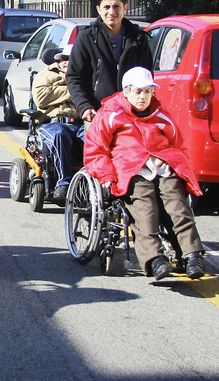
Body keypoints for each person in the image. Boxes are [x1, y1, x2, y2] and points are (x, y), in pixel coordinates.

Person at [84, 67, 205, 280]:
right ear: (127, 91)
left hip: (162, 166)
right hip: (130, 170)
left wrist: (180, 169)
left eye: (148, 92)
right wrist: (106, 176)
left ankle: (192, 255)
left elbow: (178, 146)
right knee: (145, 208)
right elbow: (95, 149)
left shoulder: (161, 115)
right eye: (138, 91)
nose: (143, 97)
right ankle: (155, 259)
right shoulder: (111, 114)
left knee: (178, 205)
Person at [66, 0, 154, 123]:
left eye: (116, 6)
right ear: (98, 9)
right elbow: (74, 77)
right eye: (106, 7)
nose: (111, 12)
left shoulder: (138, 40)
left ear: (125, 7)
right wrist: (84, 106)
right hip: (97, 114)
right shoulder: (87, 38)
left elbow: (147, 76)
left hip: (131, 115)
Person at [31, 45, 84, 200]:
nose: (66, 62)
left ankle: (94, 184)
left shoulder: (86, 74)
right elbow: (41, 98)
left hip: (81, 122)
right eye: (63, 59)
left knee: (95, 137)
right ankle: (63, 184)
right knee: (60, 134)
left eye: (70, 59)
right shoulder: (45, 74)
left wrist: (57, 93)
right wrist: (72, 91)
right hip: (53, 122)